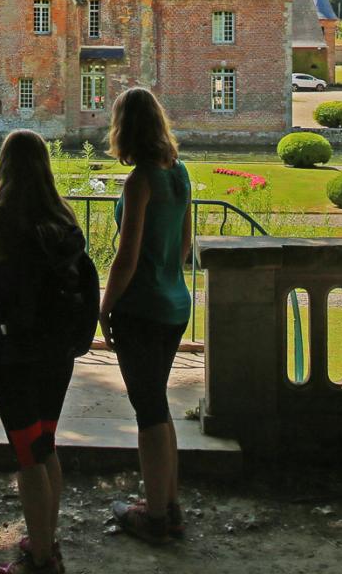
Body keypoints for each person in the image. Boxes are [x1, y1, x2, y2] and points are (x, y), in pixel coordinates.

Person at [0, 129, 97, 574]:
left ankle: (40, 559)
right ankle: (45, 541)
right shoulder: (65, 222)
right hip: (57, 351)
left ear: (4, 167)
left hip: (13, 353)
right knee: (45, 445)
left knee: (27, 456)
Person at [100, 87, 193, 545]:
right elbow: (185, 245)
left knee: (148, 410)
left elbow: (126, 256)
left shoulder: (139, 181)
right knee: (158, 405)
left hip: (143, 307)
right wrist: (168, 278)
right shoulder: (179, 173)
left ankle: (155, 517)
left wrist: (105, 306)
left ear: (125, 128)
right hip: (176, 303)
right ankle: (168, 505)